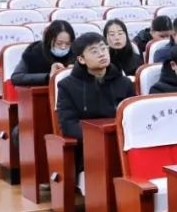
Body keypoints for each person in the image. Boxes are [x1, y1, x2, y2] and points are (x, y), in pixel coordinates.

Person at [56, 32, 135, 171]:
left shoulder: (125, 83)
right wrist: (99, 137)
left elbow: (133, 118)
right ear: (81, 59)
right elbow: (68, 125)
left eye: (103, 48)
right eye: (94, 51)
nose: (102, 54)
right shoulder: (67, 86)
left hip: (122, 144)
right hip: (88, 149)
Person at [11, 20, 75, 86]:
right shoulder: (34, 52)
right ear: (49, 40)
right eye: (59, 43)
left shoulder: (75, 53)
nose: (63, 47)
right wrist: (48, 77)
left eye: (68, 44)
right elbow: (16, 77)